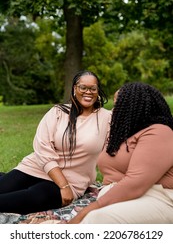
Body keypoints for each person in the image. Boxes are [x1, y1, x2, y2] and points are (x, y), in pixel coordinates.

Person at [0, 70, 111, 214]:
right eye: (83, 87)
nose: (88, 92)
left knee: (28, 198)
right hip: (36, 168)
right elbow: (42, 148)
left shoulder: (107, 118)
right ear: (74, 88)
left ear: (98, 91)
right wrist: (63, 185)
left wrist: (65, 187)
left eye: (93, 88)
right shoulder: (58, 112)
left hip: (72, 181)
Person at [69, 82, 173, 224]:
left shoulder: (160, 132)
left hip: (163, 197)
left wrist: (87, 210)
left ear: (135, 107)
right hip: (133, 193)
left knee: (97, 218)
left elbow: (135, 183)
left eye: (119, 104)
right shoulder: (124, 134)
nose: (114, 110)